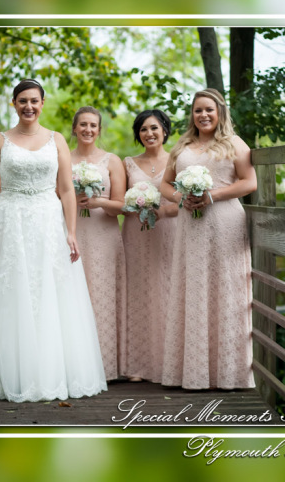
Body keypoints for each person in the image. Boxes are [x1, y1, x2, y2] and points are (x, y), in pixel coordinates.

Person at [0, 79, 107, 402]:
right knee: (8, 292)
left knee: (47, 293)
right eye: (22, 101)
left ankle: (46, 373)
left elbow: (67, 190)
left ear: (43, 104)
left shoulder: (57, 141)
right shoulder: (0, 141)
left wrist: (71, 232)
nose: (29, 106)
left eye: (35, 101)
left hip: (47, 221)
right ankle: (4, 373)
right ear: (14, 103)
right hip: (8, 219)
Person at [158, 88, 257, 389]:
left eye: (209, 110)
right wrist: (180, 197)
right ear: (192, 115)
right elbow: (164, 184)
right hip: (191, 226)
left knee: (225, 290)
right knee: (194, 289)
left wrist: (212, 195)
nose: (203, 115)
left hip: (225, 223)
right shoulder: (182, 146)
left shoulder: (234, 144)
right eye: (198, 110)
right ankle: (193, 372)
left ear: (220, 113)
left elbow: (249, 182)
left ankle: (230, 374)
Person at [121, 109, 180, 383]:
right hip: (136, 233)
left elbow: (187, 201)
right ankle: (139, 365)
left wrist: (163, 212)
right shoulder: (129, 163)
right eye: (143, 129)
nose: (150, 134)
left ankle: (170, 363)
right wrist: (135, 204)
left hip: (170, 231)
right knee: (139, 292)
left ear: (165, 131)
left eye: (154, 128)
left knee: (169, 289)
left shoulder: (178, 161)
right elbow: (119, 200)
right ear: (138, 135)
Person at [69, 106, 127, 381]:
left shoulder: (112, 161)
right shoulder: (62, 159)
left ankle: (105, 365)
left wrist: (98, 201)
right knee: (71, 297)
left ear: (99, 130)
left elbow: (120, 207)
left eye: (93, 125)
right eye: (83, 125)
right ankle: (73, 364)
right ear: (75, 128)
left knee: (102, 297)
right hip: (72, 233)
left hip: (104, 237)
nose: (88, 130)